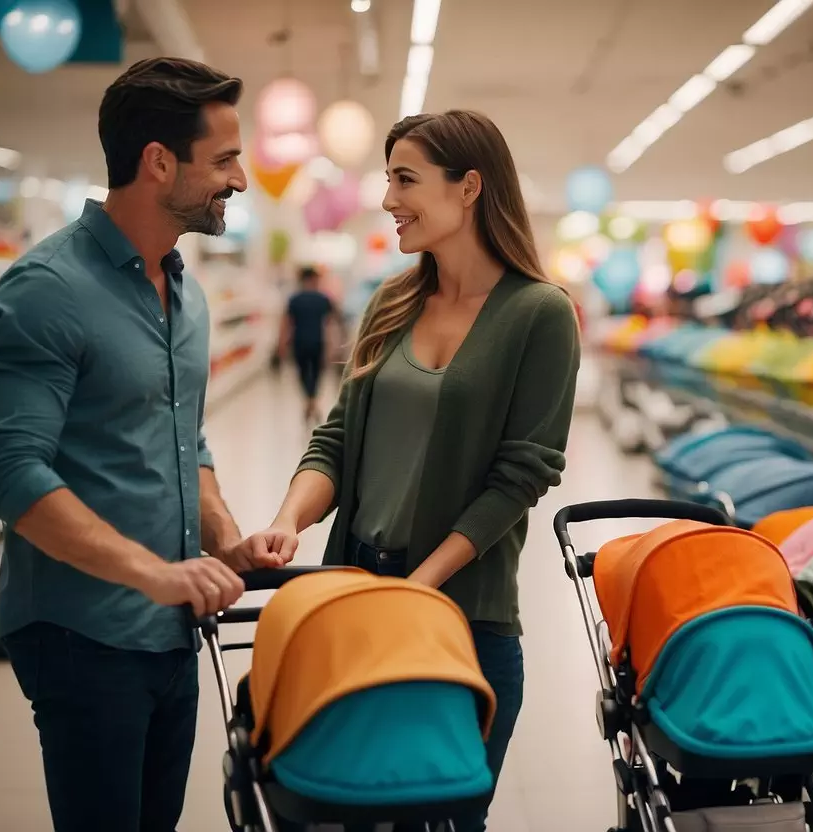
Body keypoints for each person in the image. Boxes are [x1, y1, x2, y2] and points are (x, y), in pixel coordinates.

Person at [0, 57, 286, 832]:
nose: (240, 180)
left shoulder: (184, 292)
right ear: (157, 162)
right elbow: (9, 476)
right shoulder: (46, 290)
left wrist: (224, 544)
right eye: (223, 160)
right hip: (83, 633)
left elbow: (186, 439)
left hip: (170, 629)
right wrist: (155, 575)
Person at [245, 110, 582, 832]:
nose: (389, 199)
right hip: (355, 602)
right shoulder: (391, 302)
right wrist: (288, 520)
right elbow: (337, 438)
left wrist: (417, 588)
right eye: (387, 179)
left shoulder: (539, 314)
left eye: (405, 179)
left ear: (468, 188)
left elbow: (519, 478)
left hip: (464, 622)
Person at [279, 265, 338, 421]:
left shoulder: (294, 299)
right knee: (318, 374)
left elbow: (286, 324)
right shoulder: (324, 299)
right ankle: (312, 401)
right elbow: (330, 324)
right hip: (318, 342)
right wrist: (332, 346)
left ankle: (309, 401)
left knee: (303, 373)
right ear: (314, 279)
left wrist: (282, 345)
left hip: (299, 342)